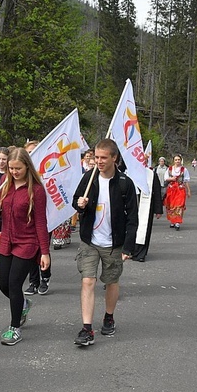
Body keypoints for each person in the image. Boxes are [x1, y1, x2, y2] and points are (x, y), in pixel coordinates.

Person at [71, 139, 138, 347]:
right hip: (90, 240)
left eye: (103, 158)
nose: (98, 161)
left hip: (113, 243)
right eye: (96, 157)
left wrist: (128, 247)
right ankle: (86, 328)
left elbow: (133, 219)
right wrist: (80, 205)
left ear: (114, 158)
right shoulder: (88, 178)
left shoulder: (125, 183)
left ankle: (109, 316)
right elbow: (76, 201)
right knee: (88, 281)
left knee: (111, 282)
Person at [0, 148, 50, 345]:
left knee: (14, 284)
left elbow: (41, 223)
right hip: (7, 240)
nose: (13, 171)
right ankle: (22, 304)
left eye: (17, 168)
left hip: (27, 242)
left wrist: (45, 252)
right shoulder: (5, 184)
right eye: (11, 168)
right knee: (3, 284)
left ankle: (14, 328)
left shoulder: (36, 190)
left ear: (27, 166)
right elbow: (3, 209)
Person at [23, 140, 52, 295]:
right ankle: (33, 281)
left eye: (35, 151)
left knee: (42, 248)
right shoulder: (21, 173)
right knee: (30, 250)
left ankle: (45, 278)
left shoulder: (46, 171)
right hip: (27, 220)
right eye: (28, 153)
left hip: (45, 217)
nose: (31, 155)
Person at [132, 167, 164, 262]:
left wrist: (158, 210)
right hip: (131, 206)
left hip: (146, 206)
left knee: (144, 230)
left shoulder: (151, 174)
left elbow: (157, 192)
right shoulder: (129, 171)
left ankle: (140, 254)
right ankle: (131, 250)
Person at [163, 154, 192, 231]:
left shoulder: (184, 170)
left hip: (180, 190)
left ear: (181, 160)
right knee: (171, 205)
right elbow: (166, 178)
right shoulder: (169, 169)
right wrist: (171, 178)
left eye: (178, 159)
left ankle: (177, 222)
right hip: (171, 190)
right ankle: (172, 221)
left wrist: (189, 191)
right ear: (173, 161)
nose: (177, 161)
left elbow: (186, 181)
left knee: (179, 205)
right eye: (176, 160)